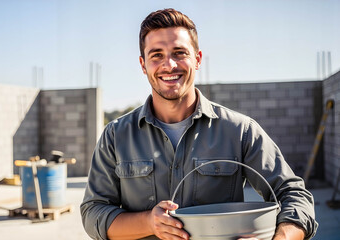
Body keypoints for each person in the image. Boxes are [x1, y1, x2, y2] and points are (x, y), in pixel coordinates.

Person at [81, 8, 318, 240]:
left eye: (179, 52)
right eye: (157, 55)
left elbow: (294, 195)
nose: (169, 65)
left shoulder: (239, 131)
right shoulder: (116, 135)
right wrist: (149, 223)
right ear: (143, 65)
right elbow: (94, 213)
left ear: (198, 59)